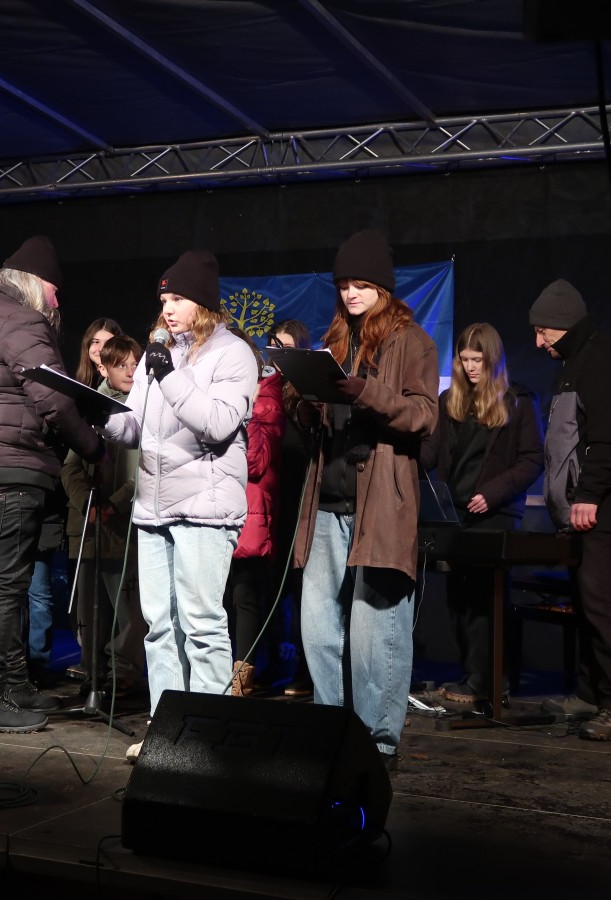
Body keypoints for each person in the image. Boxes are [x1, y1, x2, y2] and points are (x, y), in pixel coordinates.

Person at [291, 230, 438, 770]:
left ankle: (377, 742)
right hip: (328, 503)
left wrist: (368, 394)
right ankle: (332, 730)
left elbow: (424, 415)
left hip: (380, 505)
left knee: (378, 631)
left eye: (361, 284)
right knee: (318, 629)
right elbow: (317, 421)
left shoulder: (411, 341)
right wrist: (306, 405)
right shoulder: (335, 340)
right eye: (344, 285)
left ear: (382, 287)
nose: (350, 293)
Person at [101, 250, 257, 759]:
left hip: (205, 507)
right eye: (164, 299)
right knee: (159, 625)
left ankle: (210, 735)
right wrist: (94, 412)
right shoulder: (160, 353)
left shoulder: (233, 354)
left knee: (201, 623)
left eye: (179, 299)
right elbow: (134, 427)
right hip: (153, 507)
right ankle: (165, 728)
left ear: (204, 303)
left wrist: (168, 375)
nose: (168, 308)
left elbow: (217, 423)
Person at [0, 235, 106, 734]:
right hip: (9, 464)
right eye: (55, 290)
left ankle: (12, 684)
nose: (58, 300)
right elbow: (54, 398)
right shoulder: (22, 319)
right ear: (36, 284)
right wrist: (95, 448)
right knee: (3, 587)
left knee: (9, 585)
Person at [531, 279, 611, 741]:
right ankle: (591, 693)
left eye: (543, 331)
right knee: (585, 606)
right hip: (581, 510)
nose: (538, 342)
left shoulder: (602, 356)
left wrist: (588, 494)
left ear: (564, 325)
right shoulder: (575, 361)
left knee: (603, 604)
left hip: (603, 510)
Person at [419, 322, 543, 704]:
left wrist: (492, 494)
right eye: (465, 360)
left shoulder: (517, 401)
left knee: (485, 602)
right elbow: (431, 453)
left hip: (494, 514)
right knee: (459, 601)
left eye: (478, 360)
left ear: (493, 360)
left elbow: (532, 460)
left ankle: (489, 682)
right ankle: (474, 677)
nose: (471, 367)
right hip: (455, 515)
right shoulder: (450, 401)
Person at [61, 334, 146, 695]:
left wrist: (116, 503)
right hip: (90, 527)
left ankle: (123, 669)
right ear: (103, 369)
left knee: (129, 608)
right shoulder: (92, 408)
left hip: (125, 527)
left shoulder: (144, 407)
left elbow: (145, 470)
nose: (129, 371)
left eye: (134, 364)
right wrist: (87, 502)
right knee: (89, 608)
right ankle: (92, 669)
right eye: (120, 365)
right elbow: (71, 466)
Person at [225, 326, 284, 696]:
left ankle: (241, 681)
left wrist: (242, 411)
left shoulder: (267, 396)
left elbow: (256, 462)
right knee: (218, 598)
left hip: (250, 510)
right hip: (218, 505)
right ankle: (214, 675)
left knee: (245, 595)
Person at [268, 318, 314, 697]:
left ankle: (306, 671)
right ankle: (269, 664)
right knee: (267, 590)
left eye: (285, 347)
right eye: (274, 346)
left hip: (299, 505)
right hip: (270, 505)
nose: (278, 354)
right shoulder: (264, 389)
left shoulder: (305, 397)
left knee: (301, 593)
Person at [75, 317, 123, 387]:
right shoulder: (82, 379)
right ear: (87, 346)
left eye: (108, 343)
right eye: (96, 342)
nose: (101, 348)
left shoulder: (126, 382)